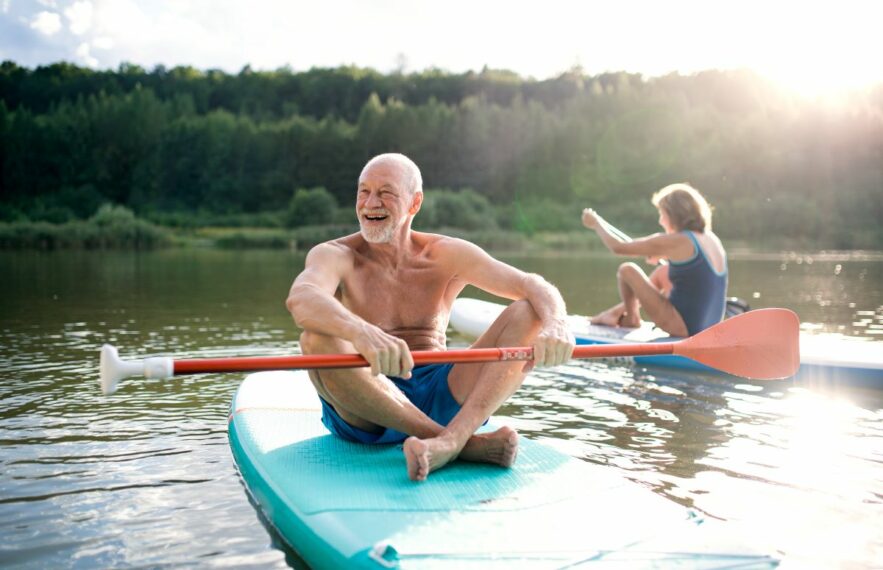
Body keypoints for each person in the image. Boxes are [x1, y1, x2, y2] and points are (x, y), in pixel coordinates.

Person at [286, 153, 575, 482]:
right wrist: (362, 332)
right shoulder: (335, 254)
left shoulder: (446, 253)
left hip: (443, 391)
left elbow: (529, 284)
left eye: (386, 193)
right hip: (366, 407)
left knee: (529, 310)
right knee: (315, 338)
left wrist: (558, 322)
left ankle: (453, 438)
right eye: (363, 192)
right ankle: (462, 444)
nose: (370, 203)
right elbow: (302, 298)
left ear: (414, 203)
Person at [581, 183, 727, 337]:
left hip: (685, 329)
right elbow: (696, 272)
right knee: (663, 272)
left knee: (627, 270)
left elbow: (619, 247)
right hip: (708, 329)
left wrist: (596, 224)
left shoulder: (678, 241)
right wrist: (664, 255)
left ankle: (632, 319)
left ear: (674, 214)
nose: (661, 221)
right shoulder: (710, 238)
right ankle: (615, 313)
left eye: (662, 214)